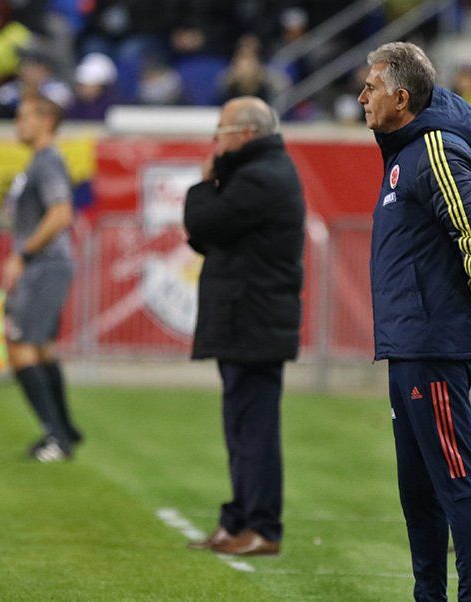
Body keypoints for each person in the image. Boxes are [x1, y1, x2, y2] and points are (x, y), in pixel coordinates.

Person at [358, 42, 471, 601]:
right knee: (418, 492)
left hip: (432, 347)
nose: (362, 97)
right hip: (410, 345)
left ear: (402, 98)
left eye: (371, 88)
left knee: (455, 485)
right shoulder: (405, 151)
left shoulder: (435, 151)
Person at [182, 96, 305, 556]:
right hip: (247, 318)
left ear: (247, 133)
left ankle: (263, 526)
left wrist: (204, 182)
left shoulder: (261, 177)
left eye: (222, 131)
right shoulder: (257, 173)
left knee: (254, 430)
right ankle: (238, 520)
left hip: (254, 319)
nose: (216, 140)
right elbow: (208, 236)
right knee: (241, 427)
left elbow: (203, 221)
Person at [1, 92, 82, 462]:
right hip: (47, 264)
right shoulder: (38, 161)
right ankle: (64, 429)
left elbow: (61, 214)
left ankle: (56, 438)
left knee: (21, 346)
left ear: (46, 121)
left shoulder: (48, 161)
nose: (18, 124)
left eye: (24, 117)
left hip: (45, 265)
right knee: (43, 347)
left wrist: (24, 254)